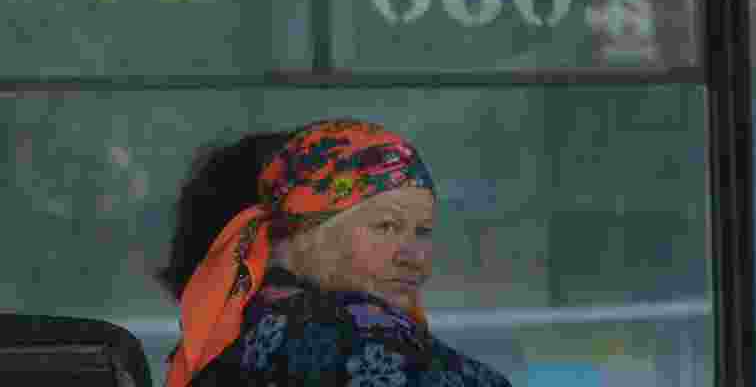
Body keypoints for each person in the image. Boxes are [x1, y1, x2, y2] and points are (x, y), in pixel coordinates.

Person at [156, 118, 512, 387]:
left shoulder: (217, 348)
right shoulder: (351, 337)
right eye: (384, 226)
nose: (412, 255)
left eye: (421, 231)